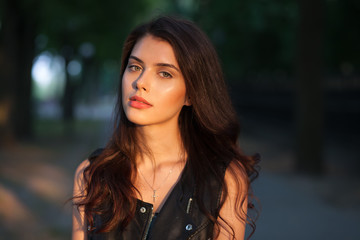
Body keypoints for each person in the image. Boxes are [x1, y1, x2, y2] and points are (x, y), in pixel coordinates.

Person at [72, 16, 259, 240]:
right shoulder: (92, 175)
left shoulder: (223, 181)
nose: (140, 82)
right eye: (135, 67)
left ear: (191, 94)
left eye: (164, 73)